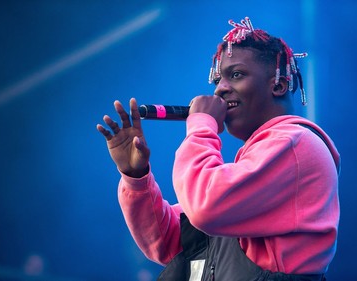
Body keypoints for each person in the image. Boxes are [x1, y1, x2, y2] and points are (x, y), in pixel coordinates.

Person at [97, 17, 340, 281]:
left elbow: (204, 207)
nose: (220, 90)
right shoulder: (250, 166)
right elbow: (165, 242)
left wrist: (201, 125)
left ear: (278, 85)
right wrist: (136, 178)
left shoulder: (296, 145)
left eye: (236, 75)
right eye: (217, 79)